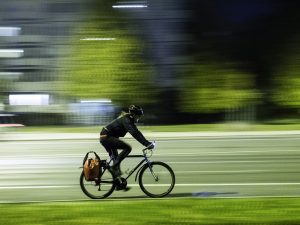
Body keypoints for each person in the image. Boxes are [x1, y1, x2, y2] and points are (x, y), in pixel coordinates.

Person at [100, 105, 154, 179]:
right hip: (106, 138)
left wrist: (147, 143)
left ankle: (119, 184)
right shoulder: (126, 120)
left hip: (108, 138)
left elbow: (137, 132)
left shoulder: (129, 121)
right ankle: (114, 167)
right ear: (133, 115)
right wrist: (146, 144)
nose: (139, 118)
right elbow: (135, 134)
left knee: (117, 161)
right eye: (138, 116)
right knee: (127, 148)